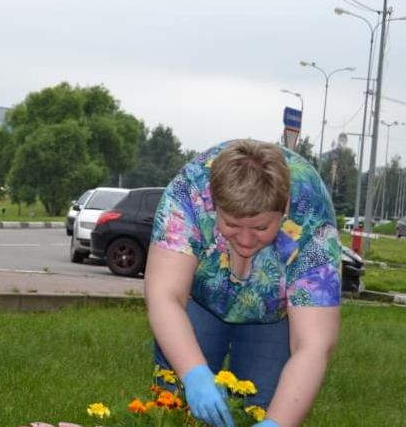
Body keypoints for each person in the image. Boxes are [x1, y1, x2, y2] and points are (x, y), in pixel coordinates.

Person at [145, 139, 341, 427]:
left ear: (284, 206)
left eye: (261, 227)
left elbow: (313, 344)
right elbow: (163, 295)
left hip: (272, 314)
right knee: (176, 405)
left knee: (263, 408)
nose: (246, 240)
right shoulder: (189, 192)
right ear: (214, 203)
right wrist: (194, 374)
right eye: (232, 225)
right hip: (200, 302)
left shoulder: (312, 218)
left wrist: (277, 424)